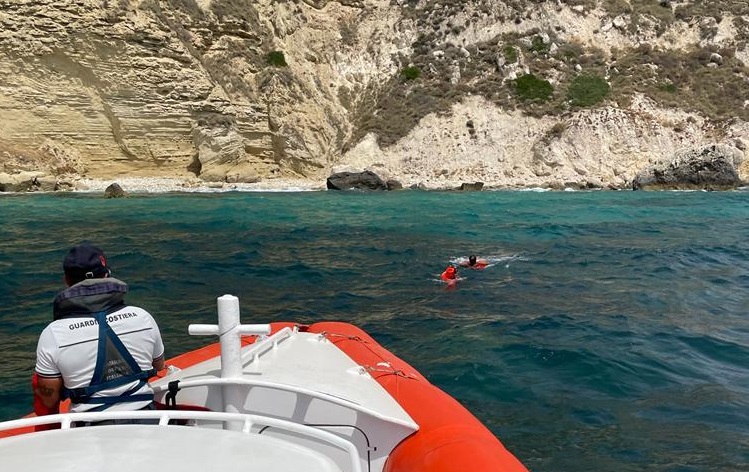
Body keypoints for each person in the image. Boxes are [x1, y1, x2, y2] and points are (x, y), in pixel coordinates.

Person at [33, 243, 165, 425]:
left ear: (67, 280)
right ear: (106, 275)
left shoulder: (53, 334)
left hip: (91, 431)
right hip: (148, 420)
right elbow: (158, 366)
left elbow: (48, 400)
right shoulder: (142, 317)